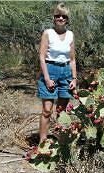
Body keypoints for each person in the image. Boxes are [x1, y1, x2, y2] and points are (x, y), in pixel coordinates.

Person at [37, 3, 77, 143]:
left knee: (61, 110)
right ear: (54, 18)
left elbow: (72, 59)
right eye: (58, 16)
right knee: (47, 110)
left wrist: (74, 78)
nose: (61, 18)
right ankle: (42, 143)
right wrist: (47, 78)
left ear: (67, 19)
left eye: (64, 16)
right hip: (50, 70)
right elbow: (42, 57)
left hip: (66, 72)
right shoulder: (48, 33)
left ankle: (61, 142)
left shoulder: (70, 35)